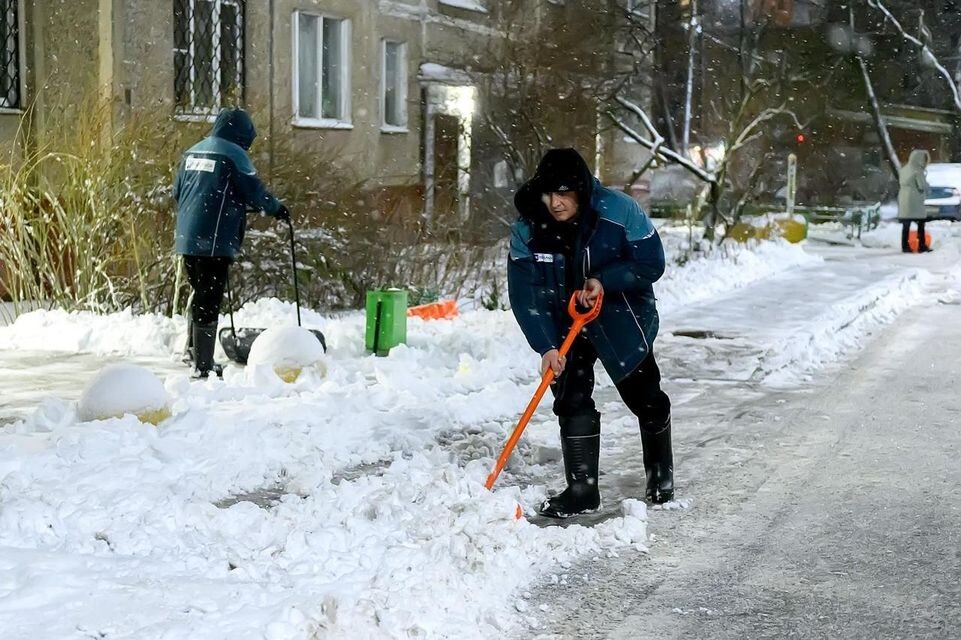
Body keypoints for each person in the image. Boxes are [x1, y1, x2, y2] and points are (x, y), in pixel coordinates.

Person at [507, 148, 673, 518]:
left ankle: (660, 474)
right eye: (550, 194)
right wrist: (546, 346)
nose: (556, 203)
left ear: (582, 190)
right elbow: (524, 293)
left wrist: (604, 280)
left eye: (565, 194)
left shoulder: (620, 212)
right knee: (570, 399)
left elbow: (651, 262)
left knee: (645, 395)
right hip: (565, 323)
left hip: (620, 316)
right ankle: (582, 489)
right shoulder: (527, 229)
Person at [172, 107, 289, 379]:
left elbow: (177, 191)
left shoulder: (192, 152)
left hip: (187, 236)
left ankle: (193, 352)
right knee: (209, 298)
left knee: (200, 292)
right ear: (242, 135)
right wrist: (276, 209)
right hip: (213, 238)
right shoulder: (234, 155)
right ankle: (203, 365)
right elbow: (254, 191)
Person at [898, 149, 930, 253]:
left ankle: (905, 246)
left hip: (903, 198)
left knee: (906, 225)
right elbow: (922, 185)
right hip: (915, 200)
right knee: (921, 224)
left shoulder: (904, 169)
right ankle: (922, 245)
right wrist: (928, 186)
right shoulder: (917, 170)